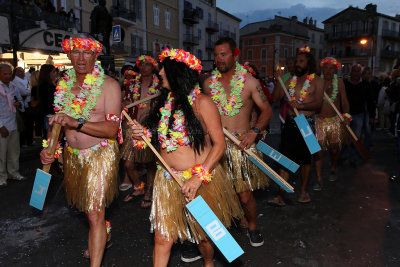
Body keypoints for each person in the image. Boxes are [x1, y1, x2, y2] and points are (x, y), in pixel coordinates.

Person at [129, 47, 242, 267]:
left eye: (164, 69)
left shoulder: (203, 103)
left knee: (204, 236)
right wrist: (143, 135)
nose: (159, 73)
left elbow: (219, 145)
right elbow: (160, 141)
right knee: (162, 238)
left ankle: (208, 263)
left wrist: (198, 177)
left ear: (177, 72)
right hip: (167, 179)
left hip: (198, 180)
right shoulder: (165, 102)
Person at [40, 37, 121, 267]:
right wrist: (50, 149)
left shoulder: (109, 86)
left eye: (87, 53)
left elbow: (112, 129)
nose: (81, 58)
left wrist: (77, 122)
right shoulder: (63, 86)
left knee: (95, 213)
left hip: (100, 154)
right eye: (76, 53)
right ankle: (102, 231)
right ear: (68, 56)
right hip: (72, 158)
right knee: (88, 210)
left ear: (96, 56)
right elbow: (57, 123)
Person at [204, 37, 272, 247]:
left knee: (244, 195)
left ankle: (252, 225)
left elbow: (267, 110)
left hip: (240, 147)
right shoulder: (208, 84)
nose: (219, 59)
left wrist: (254, 131)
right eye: (216, 55)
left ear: (235, 54)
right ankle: (218, 235)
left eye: (223, 54)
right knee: (215, 194)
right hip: (215, 148)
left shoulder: (250, 82)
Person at [268, 45, 324, 204]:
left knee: (306, 160)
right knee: (284, 159)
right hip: (290, 124)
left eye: (300, 61)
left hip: (308, 123)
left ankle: (304, 191)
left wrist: (301, 106)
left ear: (308, 64)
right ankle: (280, 196)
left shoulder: (317, 81)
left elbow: (318, 103)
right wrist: (279, 81)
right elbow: (276, 98)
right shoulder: (289, 80)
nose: (297, 64)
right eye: (296, 61)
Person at [120, 55, 159, 208]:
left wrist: (152, 114)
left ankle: (148, 192)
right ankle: (138, 186)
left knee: (150, 163)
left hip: (150, 128)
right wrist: (125, 103)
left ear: (153, 67)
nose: (144, 68)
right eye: (141, 65)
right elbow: (126, 100)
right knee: (128, 163)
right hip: (133, 126)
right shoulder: (132, 83)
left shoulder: (160, 85)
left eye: (147, 65)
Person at [313, 57, 350, 191]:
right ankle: (318, 178)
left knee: (334, 148)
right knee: (318, 151)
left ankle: (333, 168)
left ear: (335, 70)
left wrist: (346, 115)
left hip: (335, 121)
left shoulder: (339, 83)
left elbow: (344, 101)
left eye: (331, 68)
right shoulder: (317, 81)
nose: (328, 71)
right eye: (326, 68)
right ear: (322, 69)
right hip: (318, 121)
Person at [0, 63, 26, 188]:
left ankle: (13, 172)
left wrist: (19, 104)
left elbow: (20, 100)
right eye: (5, 73)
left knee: (14, 152)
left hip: (13, 123)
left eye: (10, 73)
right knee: (1, 154)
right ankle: (1, 177)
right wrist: (1, 126)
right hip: (2, 125)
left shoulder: (13, 86)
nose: (8, 76)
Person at [344, 64, 376, 165]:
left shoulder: (366, 84)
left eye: (358, 71)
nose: (356, 73)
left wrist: (372, 116)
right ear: (351, 72)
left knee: (356, 138)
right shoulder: (345, 84)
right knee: (344, 137)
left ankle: (353, 158)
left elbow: (370, 101)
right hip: (346, 114)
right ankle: (342, 155)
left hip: (359, 114)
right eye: (354, 71)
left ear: (360, 73)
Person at [37, 64, 58, 138]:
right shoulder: (46, 86)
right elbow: (49, 102)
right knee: (50, 139)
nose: (55, 74)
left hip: (49, 114)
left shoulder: (49, 84)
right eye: (54, 72)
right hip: (49, 115)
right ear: (48, 73)